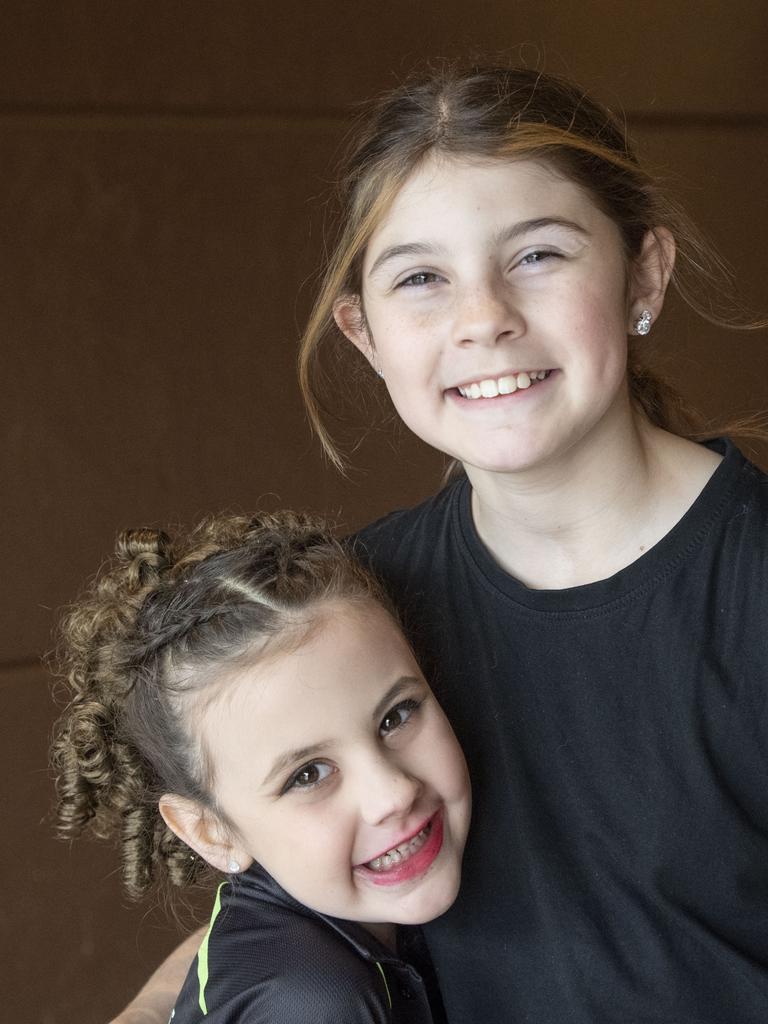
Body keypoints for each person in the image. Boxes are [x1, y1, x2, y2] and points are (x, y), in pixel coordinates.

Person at [110, 63, 768, 1023]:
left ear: (645, 275)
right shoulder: (362, 610)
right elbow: (272, 909)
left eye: (538, 254)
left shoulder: (747, 590)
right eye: (422, 278)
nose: (484, 318)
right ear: (366, 336)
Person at [52, 511, 471, 1023]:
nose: (393, 793)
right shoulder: (318, 1004)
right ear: (211, 833)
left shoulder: (304, 923)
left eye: (395, 716)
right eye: (308, 774)